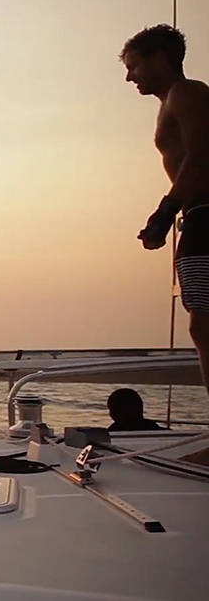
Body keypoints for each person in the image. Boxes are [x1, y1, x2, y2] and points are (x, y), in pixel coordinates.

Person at [123, 25, 209, 395]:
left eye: (134, 65)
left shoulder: (186, 93)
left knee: (204, 325)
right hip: (195, 213)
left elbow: (203, 154)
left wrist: (164, 213)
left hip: (205, 216)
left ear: (160, 55)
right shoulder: (174, 100)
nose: (129, 76)